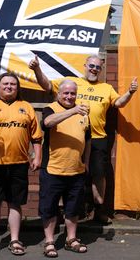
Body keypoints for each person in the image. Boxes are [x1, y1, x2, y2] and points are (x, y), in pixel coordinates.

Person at [29, 54, 137, 225]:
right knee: (66, 174)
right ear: (85, 66)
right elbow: (46, 85)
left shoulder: (106, 88)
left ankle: (99, 210)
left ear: (101, 70)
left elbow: (119, 103)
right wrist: (37, 69)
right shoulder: (71, 82)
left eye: (98, 67)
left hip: (97, 139)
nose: (94, 69)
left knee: (98, 175)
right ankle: (64, 212)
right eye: (91, 66)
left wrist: (130, 92)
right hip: (72, 137)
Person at [0, 73, 42, 258]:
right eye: (5, 83)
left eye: (13, 84)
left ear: (17, 87)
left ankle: (15, 239)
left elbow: (36, 137)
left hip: (19, 163)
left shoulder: (26, 107)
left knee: (15, 203)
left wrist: (37, 157)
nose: (9, 87)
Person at [39, 80, 91, 257]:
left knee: (73, 208)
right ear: (59, 94)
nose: (69, 96)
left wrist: (86, 163)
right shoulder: (51, 108)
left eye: (72, 94)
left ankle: (71, 239)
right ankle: (49, 242)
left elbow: (88, 139)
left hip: (76, 170)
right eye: (66, 93)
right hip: (53, 169)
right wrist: (73, 111)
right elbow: (47, 123)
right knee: (49, 208)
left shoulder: (84, 113)